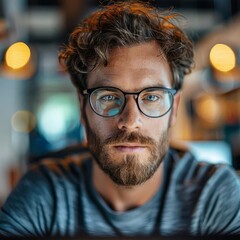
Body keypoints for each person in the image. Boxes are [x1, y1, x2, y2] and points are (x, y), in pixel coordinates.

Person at [0, 0, 240, 238]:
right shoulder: (46, 193)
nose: (130, 120)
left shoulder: (212, 194)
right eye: (108, 97)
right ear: (83, 108)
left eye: (152, 97)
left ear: (174, 108)